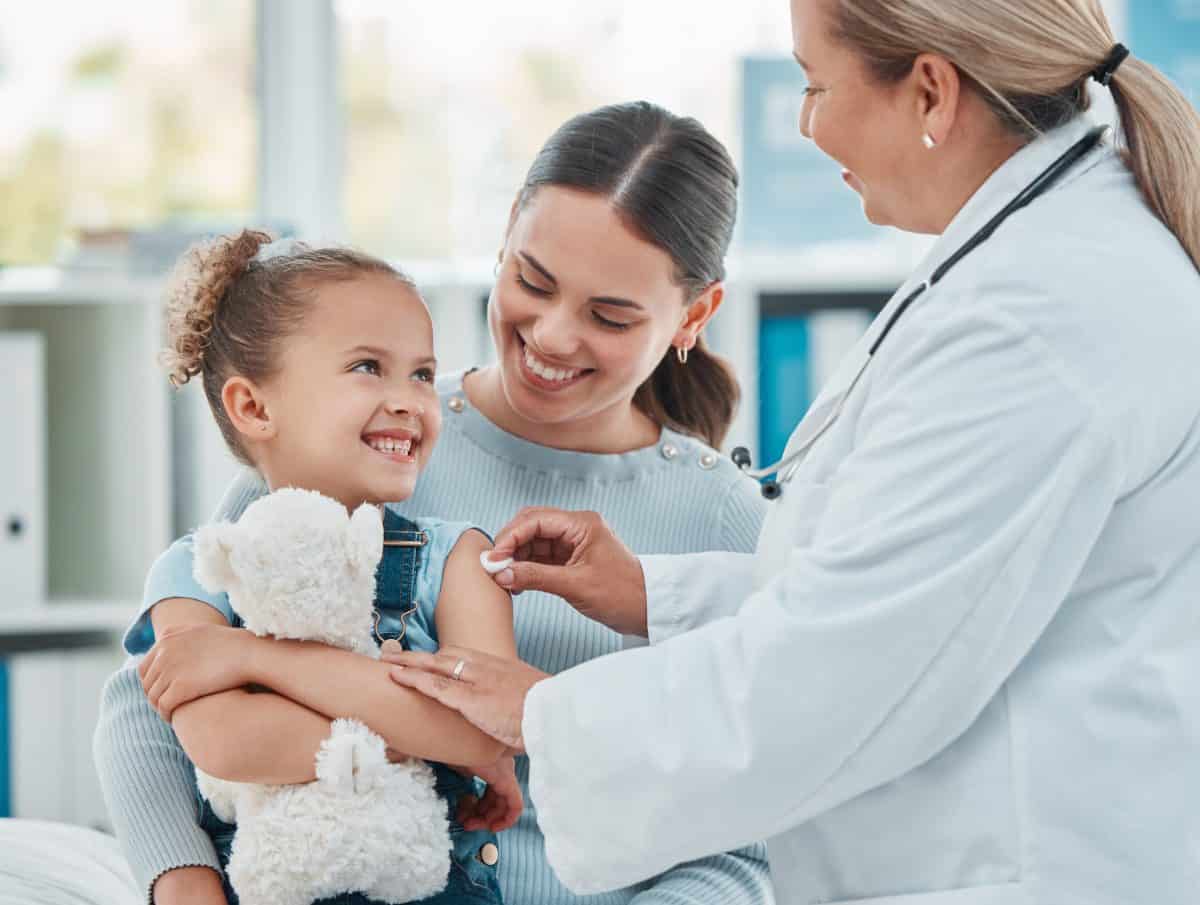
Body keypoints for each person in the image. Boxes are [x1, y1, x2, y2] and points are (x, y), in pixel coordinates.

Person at [382, 3, 1200, 904]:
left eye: (815, 85)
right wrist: (650, 594)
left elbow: (842, 669)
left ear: (931, 91)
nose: (804, 122)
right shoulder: (1035, 261)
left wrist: (541, 713)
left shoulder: (1035, 317)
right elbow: (895, 587)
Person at [93, 103, 775, 905]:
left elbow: (742, 834)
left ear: (694, 315)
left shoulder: (723, 520)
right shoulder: (356, 445)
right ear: (502, 243)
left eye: (610, 315)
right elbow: (150, 701)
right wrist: (184, 881)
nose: (553, 335)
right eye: (533, 281)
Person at [111, 230, 526, 905]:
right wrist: (424, 736)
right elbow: (226, 742)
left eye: (421, 372)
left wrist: (252, 658)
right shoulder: (194, 572)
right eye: (368, 366)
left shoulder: (460, 560)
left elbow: (486, 728)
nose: (410, 398)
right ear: (253, 406)